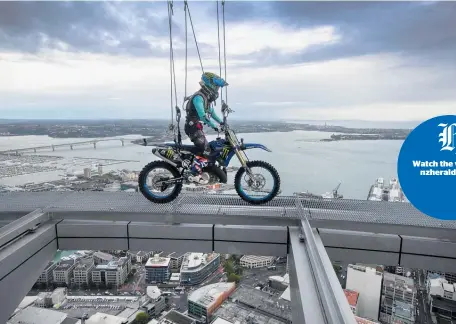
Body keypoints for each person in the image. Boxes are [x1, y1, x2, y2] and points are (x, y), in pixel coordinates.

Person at [184, 72, 228, 177]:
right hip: (192, 127)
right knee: (206, 150)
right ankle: (193, 173)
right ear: (210, 85)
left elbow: (212, 113)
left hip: (196, 127)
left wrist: (222, 122)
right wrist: (215, 126)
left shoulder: (205, 99)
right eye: (216, 86)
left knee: (210, 148)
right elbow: (203, 116)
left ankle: (206, 171)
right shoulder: (198, 97)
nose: (217, 89)